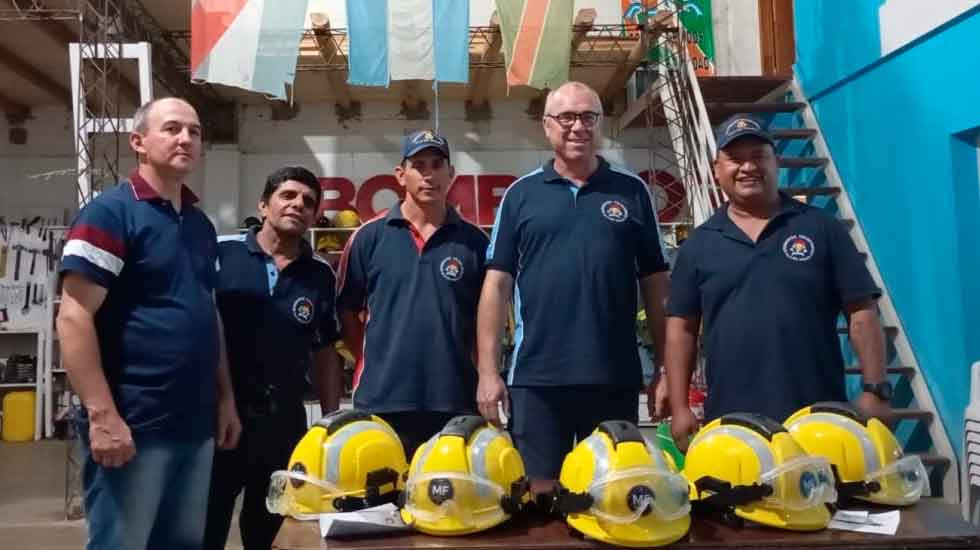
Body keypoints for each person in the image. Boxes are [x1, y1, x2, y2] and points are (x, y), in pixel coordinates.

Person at [57, 97, 241, 550]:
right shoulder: (109, 214)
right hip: (133, 424)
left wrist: (225, 398)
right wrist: (102, 416)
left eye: (195, 132)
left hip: (194, 425)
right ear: (138, 142)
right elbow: (74, 316)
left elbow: (206, 313)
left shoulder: (199, 225)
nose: (186, 139)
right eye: (173, 128)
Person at [476, 82, 670, 487]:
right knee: (540, 498)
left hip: (614, 378)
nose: (577, 126)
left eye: (588, 117)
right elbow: (495, 287)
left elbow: (656, 285)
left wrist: (666, 369)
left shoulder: (632, 192)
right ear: (547, 126)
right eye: (566, 117)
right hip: (537, 380)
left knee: (614, 495)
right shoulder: (520, 196)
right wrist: (488, 373)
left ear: (600, 125)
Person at [665, 114, 891, 450]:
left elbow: (862, 312)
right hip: (733, 425)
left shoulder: (822, 229)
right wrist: (680, 407)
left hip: (819, 419)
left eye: (758, 156)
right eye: (735, 159)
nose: (747, 167)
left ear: (777, 162)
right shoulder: (698, 245)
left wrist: (876, 390)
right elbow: (680, 330)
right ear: (716, 170)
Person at [204, 166, 343, 550]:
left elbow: (325, 350)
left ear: (315, 217)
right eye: (288, 196)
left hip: (284, 424)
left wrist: (329, 423)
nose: (298, 204)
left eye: (308, 202)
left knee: (271, 531)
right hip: (219, 420)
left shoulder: (319, 275)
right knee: (205, 526)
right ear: (264, 205)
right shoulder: (221, 253)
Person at [336, 130, 489, 458]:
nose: (429, 174)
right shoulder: (368, 238)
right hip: (383, 398)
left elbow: (487, 319)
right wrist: (372, 358)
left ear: (451, 174)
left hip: (456, 398)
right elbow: (347, 311)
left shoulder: (476, 242)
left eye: (437, 164)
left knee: (447, 503)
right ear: (400, 175)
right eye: (419, 165)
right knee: (379, 505)